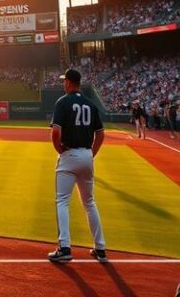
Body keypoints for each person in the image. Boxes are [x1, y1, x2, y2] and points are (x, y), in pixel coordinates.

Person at [48, 68, 107, 264]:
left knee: (62, 201)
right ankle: (100, 248)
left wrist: (60, 150)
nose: (63, 83)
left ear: (69, 82)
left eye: (65, 81)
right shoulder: (90, 104)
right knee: (89, 203)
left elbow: (56, 134)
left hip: (69, 154)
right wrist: (91, 153)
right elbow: (100, 134)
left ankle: (64, 247)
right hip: (87, 156)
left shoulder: (62, 102)